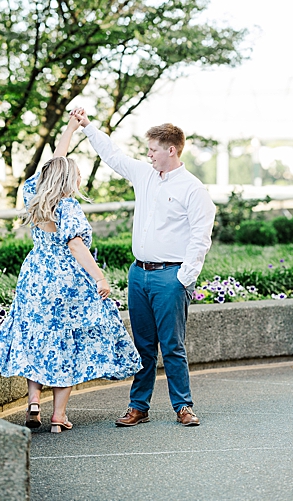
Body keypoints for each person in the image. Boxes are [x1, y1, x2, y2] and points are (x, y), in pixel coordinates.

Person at [0, 115, 141, 433]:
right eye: (78, 174)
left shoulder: (34, 195)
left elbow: (55, 162)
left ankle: (33, 404)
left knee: (38, 340)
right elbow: (76, 245)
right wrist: (99, 277)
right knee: (65, 344)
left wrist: (70, 128)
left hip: (33, 279)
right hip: (62, 282)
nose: (80, 178)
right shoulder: (68, 207)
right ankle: (58, 416)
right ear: (68, 180)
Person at [72, 109, 215, 427]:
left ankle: (183, 406)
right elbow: (113, 155)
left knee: (172, 345)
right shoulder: (144, 174)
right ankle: (139, 406)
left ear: (171, 150)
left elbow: (200, 237)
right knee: (143, 345)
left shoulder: (193, 189)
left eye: (153, 150)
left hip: (170, 277)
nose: (148, 155)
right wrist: (87, 127)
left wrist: (183, 279)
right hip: (139, 274)